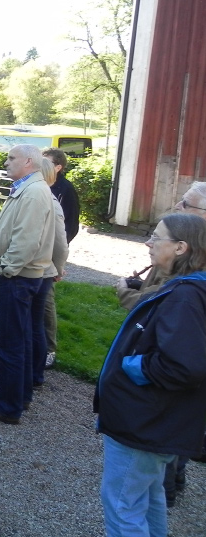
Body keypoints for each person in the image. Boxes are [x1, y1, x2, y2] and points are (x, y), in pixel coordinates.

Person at [95, 213, 206, 537]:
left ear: (181, 247)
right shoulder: (186, 289)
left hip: (146, 423)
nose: (149, 243)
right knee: (149, 495)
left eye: (157, 237)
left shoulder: (186, 297)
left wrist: (133, 365)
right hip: (156, 422)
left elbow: (184, 367)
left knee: (121, 504)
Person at [0, 144, 55, 424]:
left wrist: (8, 268)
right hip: (24, 276)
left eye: (11, 158)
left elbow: (26, 239)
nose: (6, 162)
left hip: (18, 278)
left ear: (29, 161)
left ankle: (8, 406)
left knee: (11, 342)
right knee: (19, 339)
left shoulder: (33, 192)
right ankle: (17, 395)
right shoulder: (30, 188)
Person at [115, 182, 206, 311]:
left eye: (185, 203)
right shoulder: (185, 240)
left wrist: (124, 292)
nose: (177, 206)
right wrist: (142, 285)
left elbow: (166, 301)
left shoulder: (197, 252)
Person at [41, 148, 80, 369]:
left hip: (50, 255)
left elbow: (70, 227)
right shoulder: (34, 184)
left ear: (58, 167)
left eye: (45, 162)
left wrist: (57, 259)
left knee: (46, 300)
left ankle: (49, 349)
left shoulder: (65, 190)